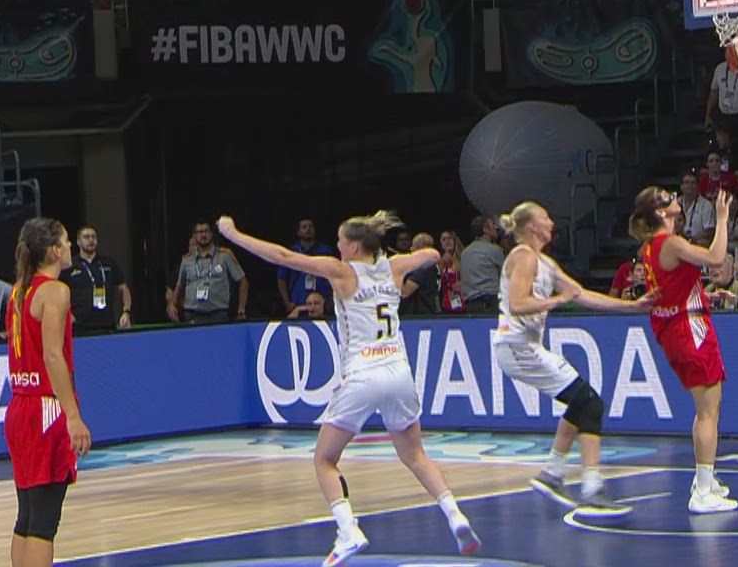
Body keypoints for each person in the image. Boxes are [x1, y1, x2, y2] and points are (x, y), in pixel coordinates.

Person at [217, 212, 480, 566]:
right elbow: (431, 254)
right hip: (399, 371)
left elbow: (282, 257)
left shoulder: (342, 271)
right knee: (415, 455)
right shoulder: (395, 266)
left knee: (324, 459)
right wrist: (427, 254)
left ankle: (348, 530)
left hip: (363, 374)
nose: (337, 246)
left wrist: (234, 234)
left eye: (341, 241)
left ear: (354, 246)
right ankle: (454, 515)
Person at [497, 201, 653, 513]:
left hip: (526, 345)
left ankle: (553, 474)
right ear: (531, 227)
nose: (551, 222)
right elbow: (517, 304)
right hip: (516, 344)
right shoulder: (524, 256)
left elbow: (581, 294)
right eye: (545, 217)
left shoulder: (546, 263)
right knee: (589, 401)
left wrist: (631, 307)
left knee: (583, 401)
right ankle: (589, 485)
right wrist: (557, 300)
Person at [630, 184, 737, 513]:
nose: (675, 197)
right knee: (708, 409)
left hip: (676, 325)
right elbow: (717, 259)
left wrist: (704, 295)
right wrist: (722, 218)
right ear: (661, 212)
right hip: (688, 328)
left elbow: (674, 285)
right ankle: (703, 491)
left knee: (708, 407)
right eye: (667, 197)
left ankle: (705, 477)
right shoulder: (671, 242)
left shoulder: (650, 247)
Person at [4, 218, 90, 567]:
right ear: (54, 250)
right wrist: (73, 416)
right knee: (44, 521)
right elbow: (53, 355)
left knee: (27, 514)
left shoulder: (18, 290)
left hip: (19, 407)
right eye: (67, 241)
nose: (70, 246)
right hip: (45, 408)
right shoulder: (54, 290)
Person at [168, 221, 247, 323]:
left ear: (211, 234)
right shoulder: (187, 260)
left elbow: (243, 281)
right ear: (194, 235)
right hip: (192, 314)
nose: (203, 235)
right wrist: (172, 304)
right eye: (200, 232)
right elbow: (179, 286)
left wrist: (241, 309)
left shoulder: (225, 255)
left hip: (218, 314)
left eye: (206, 231)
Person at [64, 226, 132, 335]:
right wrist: (67, 314)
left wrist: (126, 311)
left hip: (107, 325)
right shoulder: (70, 265)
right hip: (79, 327)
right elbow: (60, 294)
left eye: (93, 237)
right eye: (86, 237)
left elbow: (123, 288)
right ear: (78, 242)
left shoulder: (109, 263)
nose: (91, 240)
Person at [459, 216, 506, 316]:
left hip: (470, 306)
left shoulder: (464, 253)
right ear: (485, 229)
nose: (496, 228)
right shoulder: (495, 250)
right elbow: (505, 276)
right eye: (493, 225)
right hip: (490, 305)